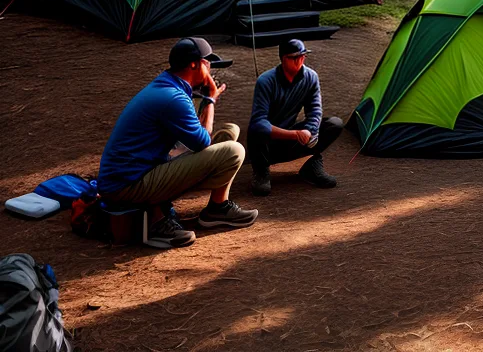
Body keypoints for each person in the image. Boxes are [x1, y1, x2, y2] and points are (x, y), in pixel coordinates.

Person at [98, 37, 259, 249]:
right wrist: (210, 99)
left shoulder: (168, 85)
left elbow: (190, 138)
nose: (211, 70)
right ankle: (157, 224)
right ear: (194, 64)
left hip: (138, 171)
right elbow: (202, 141)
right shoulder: (173, 97)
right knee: (233, 151)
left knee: (230, 132)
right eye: (207, 63)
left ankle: (217, 208)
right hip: (126, 186)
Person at [248, 38, 344, 196]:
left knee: (334, 124)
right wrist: (294, 135)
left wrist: (310, 131)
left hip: (291, 138)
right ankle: (261, 171)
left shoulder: (311, 76)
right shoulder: (266, 81)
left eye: (303, 56)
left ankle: (311, 163)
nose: (299, 61)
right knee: (257, 130)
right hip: (267, 142)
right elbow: (259, 122)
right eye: (294, 57)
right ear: (283, 58)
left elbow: (315, 109)